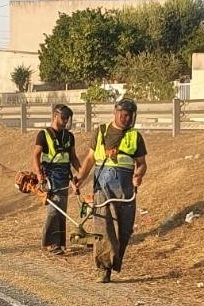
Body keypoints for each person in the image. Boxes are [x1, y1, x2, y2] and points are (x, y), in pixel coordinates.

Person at [75, 98, 147, 282]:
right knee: (103, 227)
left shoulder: (135, 137)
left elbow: (141, 164)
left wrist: (138, 175)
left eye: (130, 116)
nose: (127, 118)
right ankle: (104, 269)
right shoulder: (101, 132)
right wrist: (80, 178)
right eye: (124, 115)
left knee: (124, 229)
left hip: (125, 190)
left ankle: (115, 261)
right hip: (103, 187)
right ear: (115, 112)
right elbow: (90, 159)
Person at [32, 104, 81, 254]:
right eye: (63, 117)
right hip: (50, 176)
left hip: (64, 177)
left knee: (62, 211)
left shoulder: (69, 137)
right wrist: (39, 174)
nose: (66, 121)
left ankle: (59, 243)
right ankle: (51, 244)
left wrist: (80, 174)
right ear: (55, 116)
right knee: (54, 209)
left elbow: (73, 158)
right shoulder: (43, 134)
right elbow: (35, 156)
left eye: (68, 118)